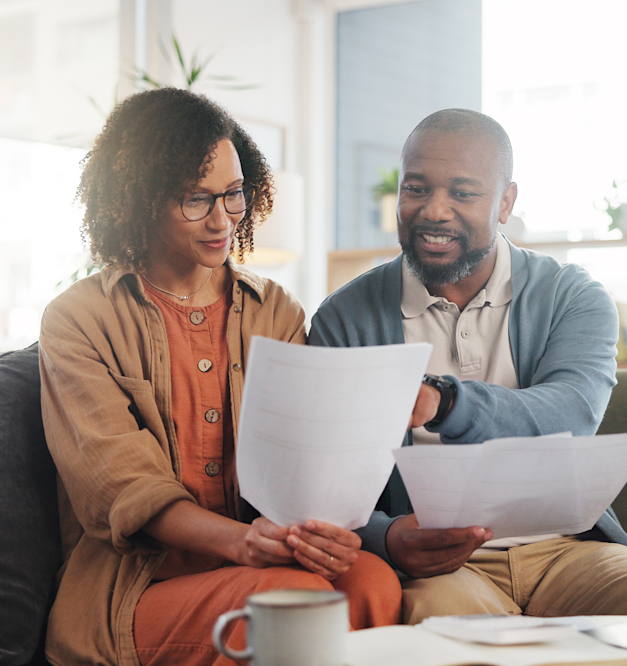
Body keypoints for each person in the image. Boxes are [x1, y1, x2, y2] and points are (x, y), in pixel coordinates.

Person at [38, 88, 401, 666]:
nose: (222, 220)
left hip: (262, 555)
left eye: (234, 195)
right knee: (298, 600)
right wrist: (241, 542)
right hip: (135, 589)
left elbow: (305, 457)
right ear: (139, 201)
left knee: (374, 583)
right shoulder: (80, 319)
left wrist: (315, 527)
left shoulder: (275, 309)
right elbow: (122, 488)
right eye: (195, 200)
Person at [308, 108, 627, 624]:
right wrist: (385, 537)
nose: (434, 210)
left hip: (568, 550)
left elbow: (569, 415)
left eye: (463, 193)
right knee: (446, 624)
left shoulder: (572, 297)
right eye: (416, 189)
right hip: (442, 569)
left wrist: (446, 401)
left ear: (505, 202)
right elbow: (324, 481)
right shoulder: (345, 319)